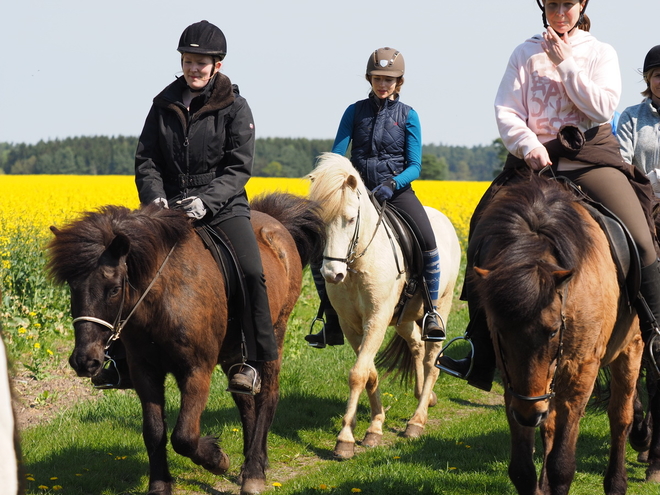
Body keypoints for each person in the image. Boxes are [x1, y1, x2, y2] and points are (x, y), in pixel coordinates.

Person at [437, 0, 660, 390]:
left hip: (589, 158)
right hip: (534, 161)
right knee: (482, 227)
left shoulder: (599, 52)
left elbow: (603, 105)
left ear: (582, 6)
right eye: (553, 4)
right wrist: (526, 144)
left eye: (568, 5)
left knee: (641, 239)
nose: (560, 12)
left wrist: (566, 63)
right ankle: (479, 346)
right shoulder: (524, 53)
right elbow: (506, 109)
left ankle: (655, 334)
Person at [100, 20, 276, 395]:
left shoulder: (236, 107)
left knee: (250, 271)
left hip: (223, 205)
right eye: (189, 61)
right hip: (166, 206)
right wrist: (154, 198)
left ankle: (253, 358)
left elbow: (238, 168)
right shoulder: (162, 104)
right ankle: (118, 356)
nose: (194, 68)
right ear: (181, 62)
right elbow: (146, 159)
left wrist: (206, 201)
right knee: (126, 266)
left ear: (218, 65)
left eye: (202, 62)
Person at [305, 47, 444, 348]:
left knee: (428, 242)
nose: (383, 84)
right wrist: (326, 178)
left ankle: (432, 312)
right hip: (357, 192)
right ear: (369, 78)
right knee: (320, 247)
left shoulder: (409, 116)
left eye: (390, 79)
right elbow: (337, 154)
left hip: (395, 191)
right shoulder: (354, 112)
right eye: (378, 78)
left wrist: (392, 184)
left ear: (399, 82)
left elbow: (415, 165)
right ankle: (329, 315)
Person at [617, 45, 660, 197]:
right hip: (642, 198)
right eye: (658, 75)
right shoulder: (630, 116)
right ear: (648, 79)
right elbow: (623, 163)